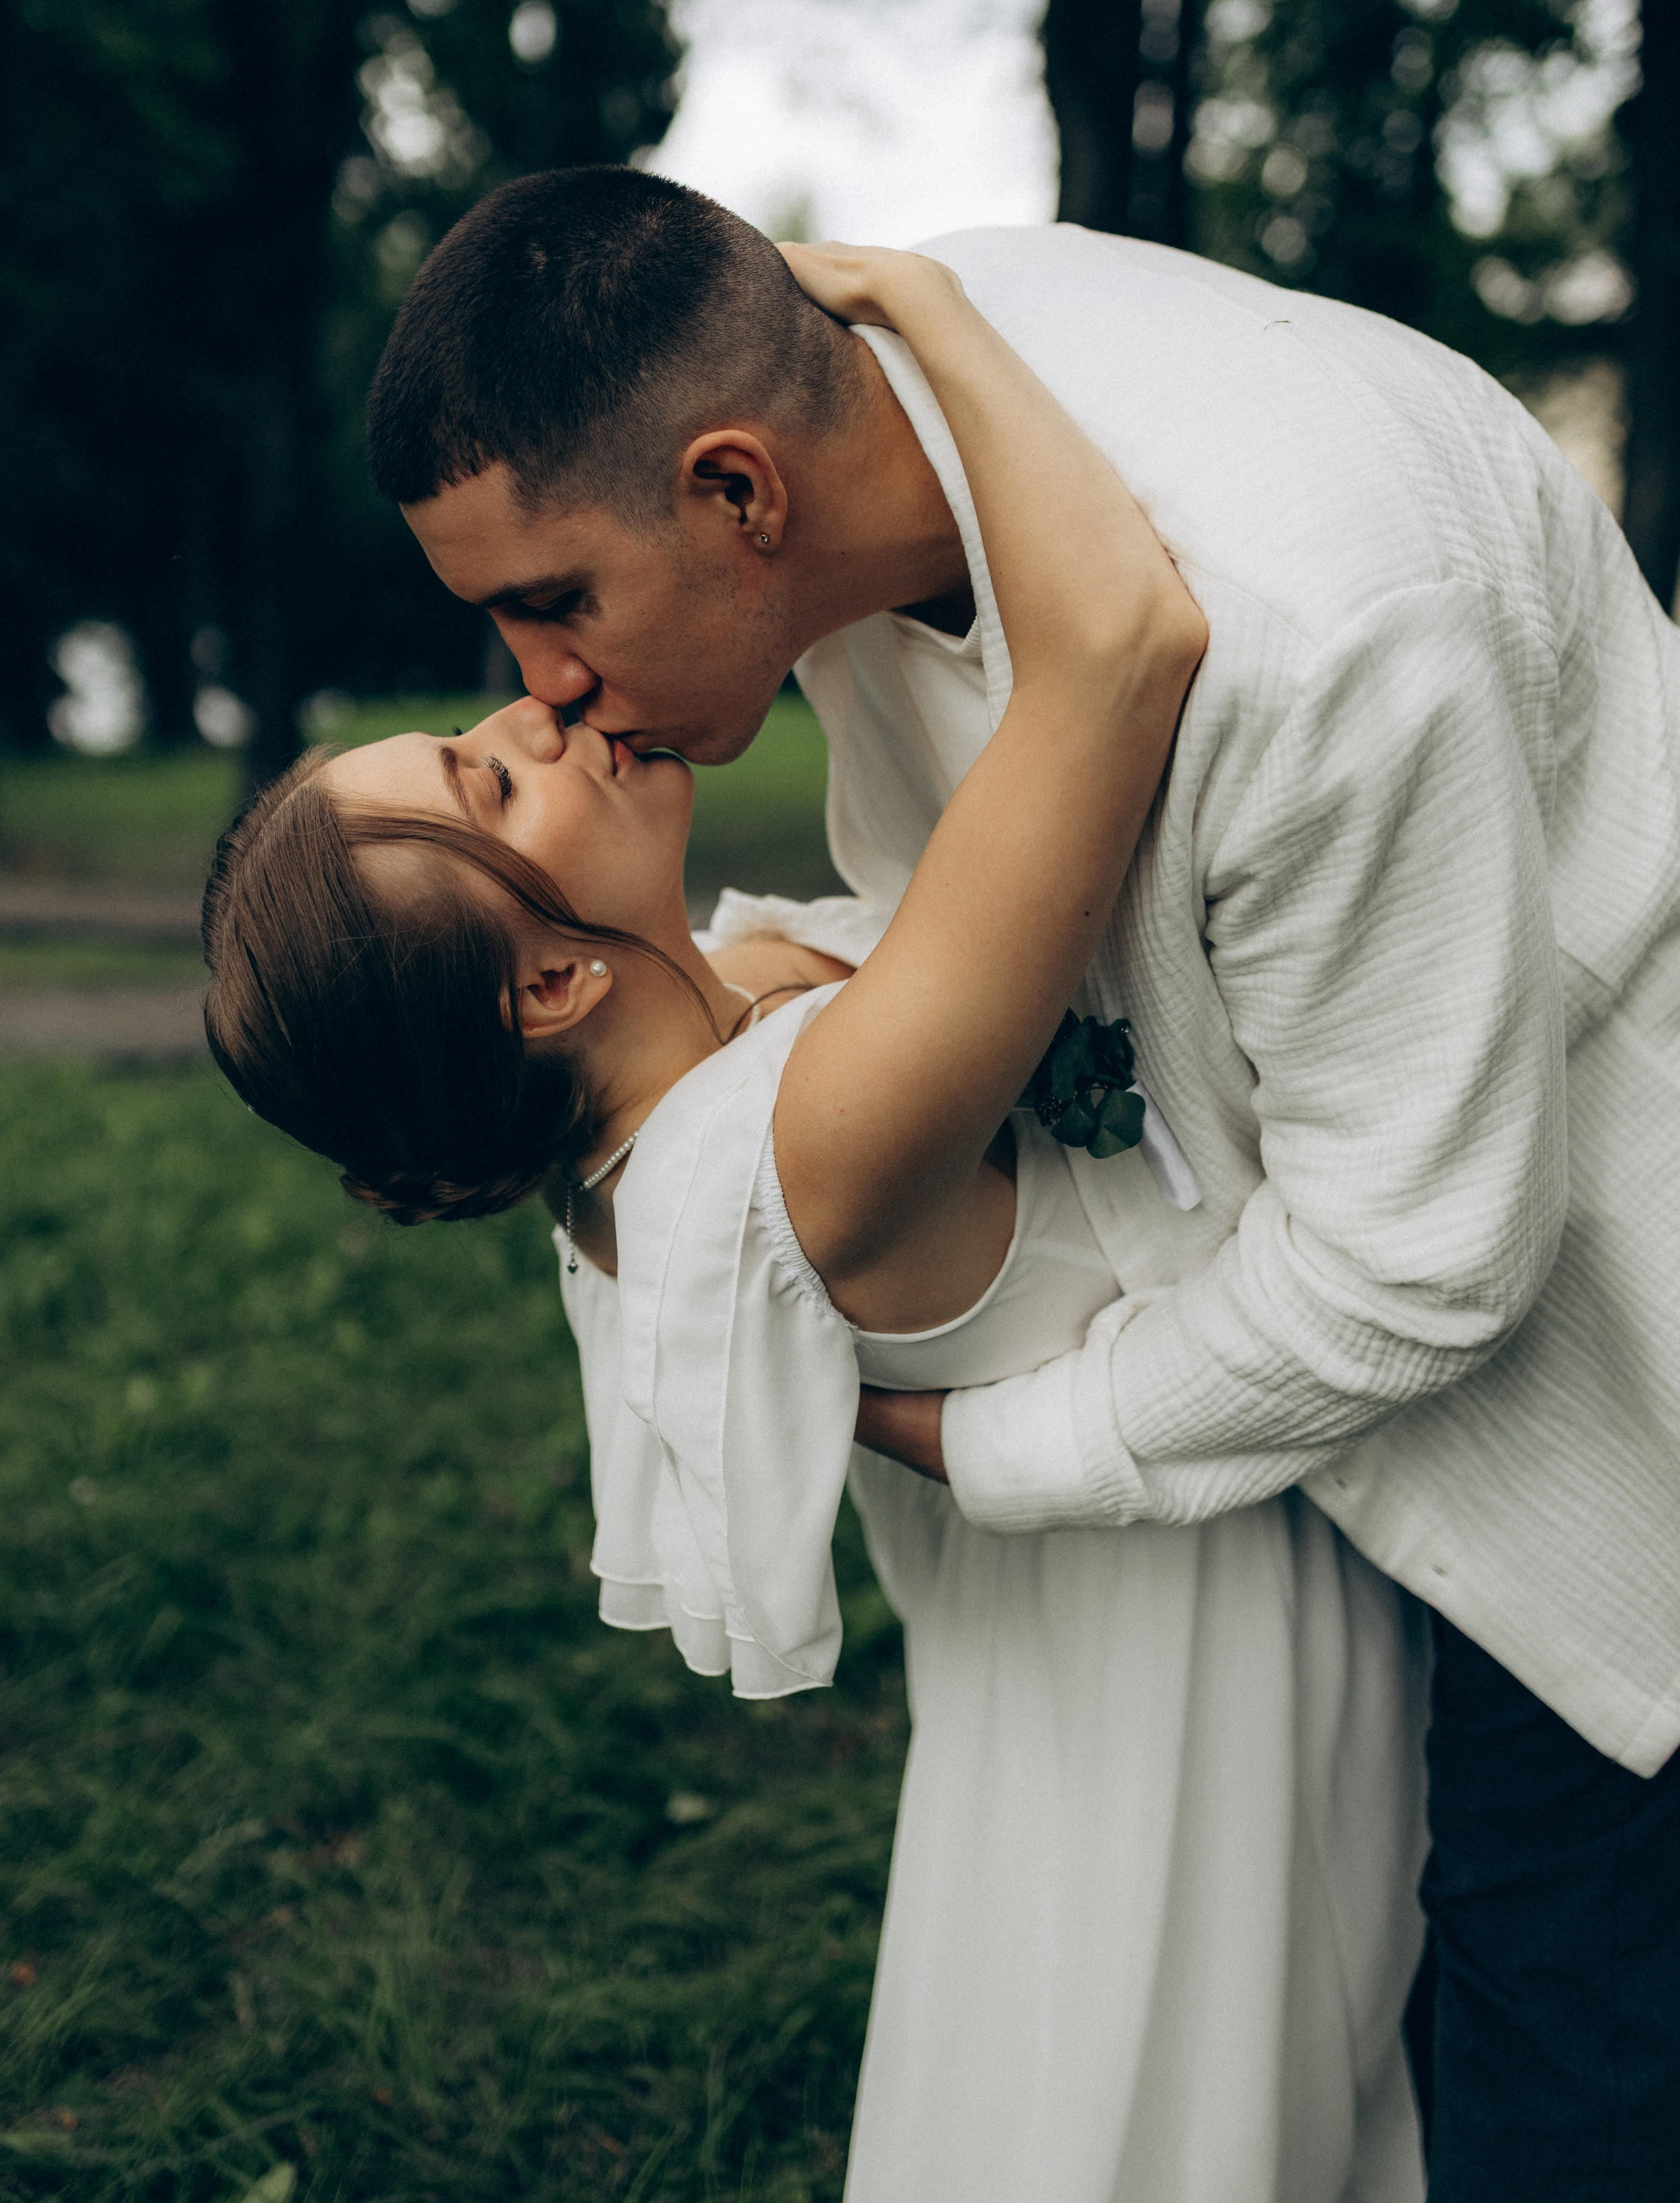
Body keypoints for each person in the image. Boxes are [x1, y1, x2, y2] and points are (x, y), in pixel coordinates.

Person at [363, 166, 1680, 2198]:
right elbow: (995, 910)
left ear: (738, 494)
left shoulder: (1316, 639)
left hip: (1593, 1376)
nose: (535, 682)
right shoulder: (864, 420)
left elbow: (1417, 1271)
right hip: (1291, 1486)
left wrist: (1001, 1452)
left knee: (1549, 2049)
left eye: (552, 602)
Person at [204, 250, 1430, 2200]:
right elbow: (1118, 646)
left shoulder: (688, 1043)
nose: (533, 708)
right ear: (538, 995)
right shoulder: (797, 1154)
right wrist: (922, 312)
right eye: (480, 782)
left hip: (1063, 1660)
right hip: (1178, 1679)